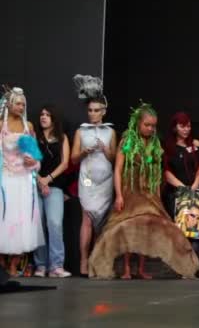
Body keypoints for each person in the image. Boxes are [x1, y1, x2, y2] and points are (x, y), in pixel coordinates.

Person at [88, 102, 199, 279]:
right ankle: (125, 268)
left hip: (149, 193)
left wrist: (156, 193)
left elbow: (158, 170)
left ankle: (140, 268)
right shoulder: (128, 141)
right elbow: (117, 169)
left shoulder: (155, 144)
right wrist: (119, 195)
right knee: (127, 228)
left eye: (153, 126)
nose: (150, 128)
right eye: (147, 125)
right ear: (138, 123)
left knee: (146, 228)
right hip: (130, 191)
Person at [70, 75, 117, 276]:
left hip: (105, 181)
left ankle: (97, 261)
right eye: (90, 110)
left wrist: (106, 149)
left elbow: (115, 158)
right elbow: (73, 159)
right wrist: (84, 152)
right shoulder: (81, 132)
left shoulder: (110, 132)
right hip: (87, 180)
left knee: (104, 222)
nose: (93, 114)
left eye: (97, 110)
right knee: (87, 219)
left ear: (103, 111)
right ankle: (83, 261)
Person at [0, 87, 44, 276]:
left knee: (23, 220)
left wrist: (34, 161)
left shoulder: (29, 127)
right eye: (18, 103)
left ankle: (14, 265)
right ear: (9, 104)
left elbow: (36, 156)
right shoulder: (1, 125)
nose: (21, 107)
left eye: (23, 104)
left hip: (24, 179)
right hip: (6, 179)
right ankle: (2, 264)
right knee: (4, 219)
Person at [32, 105, 72, 278]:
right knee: (37, 225)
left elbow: (65, 163)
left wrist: (47, 179)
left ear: (54, 118)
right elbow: (27, 160)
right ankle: (40, 265)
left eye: (47, 115)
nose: (43, 117)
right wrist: (39, 179)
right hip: (34, 185)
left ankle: (56, 266)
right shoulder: (34, 138)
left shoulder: (62, 138)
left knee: (54, 223)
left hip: (54, 186)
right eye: (41, 114)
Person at [162, 112, 199, 263]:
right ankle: (180, 265)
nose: (186, 129)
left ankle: (194, 265)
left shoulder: (194, 146)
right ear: (175, 128)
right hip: (176, 195)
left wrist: (194, 186)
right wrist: (183, 188)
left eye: (188, 126)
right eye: (182, 126)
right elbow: (166, 172)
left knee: (195, 230)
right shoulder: (168, 147)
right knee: (178, 231)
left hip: (194, 194)